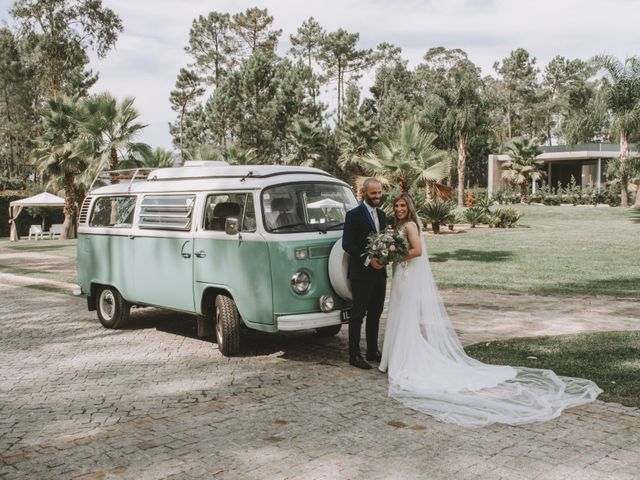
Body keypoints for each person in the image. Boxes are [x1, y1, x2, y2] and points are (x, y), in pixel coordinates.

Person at [379, 193, 602, 427]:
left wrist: (394, 253)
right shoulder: (400, 226)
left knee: (405, 316)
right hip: (402, 275)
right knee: (399, 314)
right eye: (396, 205)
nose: (398, 208)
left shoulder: (411, 226)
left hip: (407, 274)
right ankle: (395, 358)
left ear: (410, 207)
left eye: (402, 205)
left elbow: (418, 251)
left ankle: (404, 361)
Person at [342, 178, 387, 370]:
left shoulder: (383, 215)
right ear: (364, 193)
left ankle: (372, 350)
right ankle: (354, 355)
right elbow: (347, 244)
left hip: (380, 273)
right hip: (361, 273)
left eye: (379, 193)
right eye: (373, 193)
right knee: (357, 315)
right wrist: (369, 260)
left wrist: (386, 256)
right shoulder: (353, 215)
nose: (377, 197)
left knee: (376, 313)